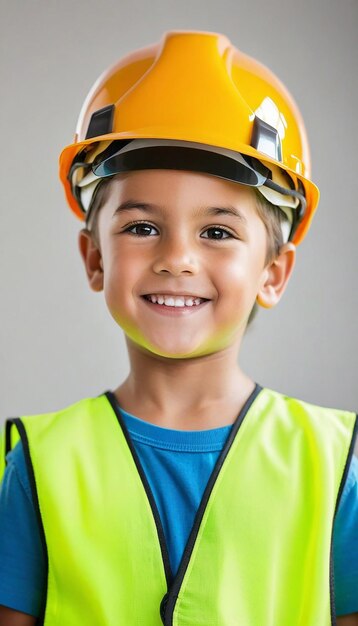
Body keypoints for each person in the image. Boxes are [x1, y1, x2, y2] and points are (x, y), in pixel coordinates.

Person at [0, 30, 357, 626]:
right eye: (141, 228)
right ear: (94, 259)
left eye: (217, 232)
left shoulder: (339, 466)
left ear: (274, 272)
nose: (177, 259)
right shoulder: (38, 465)